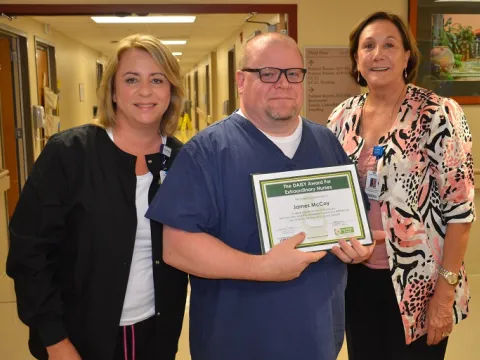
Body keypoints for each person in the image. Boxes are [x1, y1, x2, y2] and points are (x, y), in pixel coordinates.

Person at [146, 32, 378, 360]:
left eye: (293, 74)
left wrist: (358, 246)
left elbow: (352, 222)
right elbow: (177, 248)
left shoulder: (326, 143)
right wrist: (262, 267)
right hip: (236, 343)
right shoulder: (207, 151)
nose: (282, 83)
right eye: (267, 73)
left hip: (317, 340)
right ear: (241, 81)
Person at [7, 34, 188, 360]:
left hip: (157, 332)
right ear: (113, 91)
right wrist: (55, 341)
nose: (145, 91)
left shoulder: (181, 159)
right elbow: (29, 253)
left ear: (171, 91)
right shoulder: (69, 154)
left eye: (157, 80)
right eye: (132, 79)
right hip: (78, 336)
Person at [327, 11, 475, 360]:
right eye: (368, 46)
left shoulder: (439, 114)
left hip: (420, 282)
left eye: (390, 45)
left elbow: (461, 212)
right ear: (356, 59)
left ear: (407, 56)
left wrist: (445, 291)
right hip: (355, 279)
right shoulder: (341, 116)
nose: (378, 53)